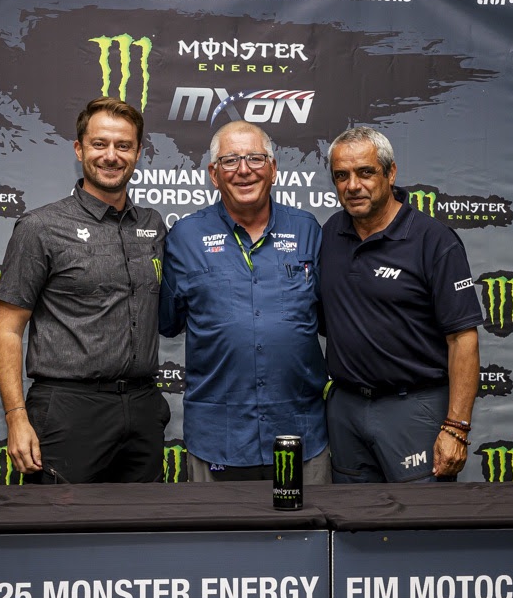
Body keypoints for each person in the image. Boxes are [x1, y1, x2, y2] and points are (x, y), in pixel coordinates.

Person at [0, 97, 169, 484]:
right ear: (79, 149)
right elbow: (7, 328)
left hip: (143, 407)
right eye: (99, 144)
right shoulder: (40, 227)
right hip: (68, 409)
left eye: (123, 145)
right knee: (60, 520)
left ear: (138, 152)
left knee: (144, 520)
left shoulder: (153, 225)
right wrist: (16, 417)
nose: (111, 156)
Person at [159, 121, 330, 483]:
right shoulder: (184, 237)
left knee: (310, 522)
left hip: (300, 431)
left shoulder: (308, 231)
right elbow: (168, 321)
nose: (244, 169)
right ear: (213, 174)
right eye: (230, 160)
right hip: (217, 438)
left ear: (273, 168)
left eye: (255, 158)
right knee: (216, 523)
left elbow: (329, 318)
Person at [320, 126, 483, 483]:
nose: (353, 185)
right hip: (346, 409)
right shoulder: (330, 233)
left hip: (413, 407)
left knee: (420, 514)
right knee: (350, 514)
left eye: (365, 172)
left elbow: (462, 339)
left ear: (390, 173)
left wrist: (456, 427)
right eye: (342, 176)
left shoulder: (433, 240)